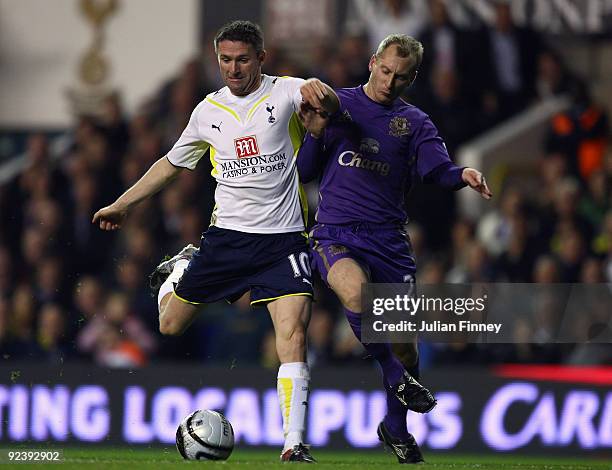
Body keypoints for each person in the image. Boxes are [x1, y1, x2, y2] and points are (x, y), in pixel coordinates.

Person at [92, 20, 338, 463]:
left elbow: (324, 99)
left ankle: (294, 442)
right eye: (225, 60)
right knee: (169, 324)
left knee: (293, 332)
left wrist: (323, 89)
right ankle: (182, 268)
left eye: (242, 59)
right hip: (226, 240)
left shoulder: (285, 92)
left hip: (283, 241)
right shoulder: (207, 112)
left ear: (261, 58)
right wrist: (122, 204)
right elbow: (170, 165)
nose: (233, 68)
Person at [296, 34, 492, 463]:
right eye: (385, 71)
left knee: (405, 347)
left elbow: (436, 171)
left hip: (388, 242)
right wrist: (313, 135)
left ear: (412, 78)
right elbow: (305, 172)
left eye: (400, 76)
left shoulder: (415, 122)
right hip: (336, 233)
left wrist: (464, 174)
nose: (389, 82)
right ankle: (393, 375)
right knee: (354, 295)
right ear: (371, 63)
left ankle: (395, 428)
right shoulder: (337, 104)